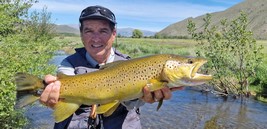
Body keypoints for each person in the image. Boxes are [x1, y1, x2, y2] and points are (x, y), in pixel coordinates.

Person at [40, 5, 174, 129]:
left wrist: (142, 97)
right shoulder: (68, 64)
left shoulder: (130, 65)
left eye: (103, 31)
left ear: (113, 34)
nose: (96, 38)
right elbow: (63, 86)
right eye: (89, 31)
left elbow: (135, 103)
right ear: (81, 34)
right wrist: (51, 94)